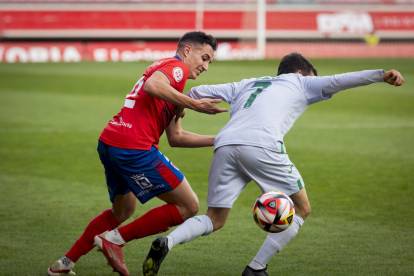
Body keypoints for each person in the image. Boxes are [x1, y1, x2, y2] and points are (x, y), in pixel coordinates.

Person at [142, 52, 405, 276]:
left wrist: (182, 109)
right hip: (262, 145)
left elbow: (198, 91)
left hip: (225, 144)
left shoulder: (248, 83)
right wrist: (381, 74)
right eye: (312, 77)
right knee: (301, 208)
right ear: (302, 72)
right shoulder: (302, 82)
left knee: (215, 217)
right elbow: (339, 80)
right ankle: (256, 268)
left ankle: (168, 241)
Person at [47, 31, 228, 276]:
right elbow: (153, 85)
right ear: (187, 51)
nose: (206, 66)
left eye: (210, 62)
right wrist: (194, 104)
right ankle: (115, 240)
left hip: (111, 141)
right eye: (204, 57)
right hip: (134, 147)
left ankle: (64, 264)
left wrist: (222, 140)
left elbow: (175, 138)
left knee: (122, 210)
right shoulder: (176, 67)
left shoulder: (174, 85)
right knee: (189, 206)